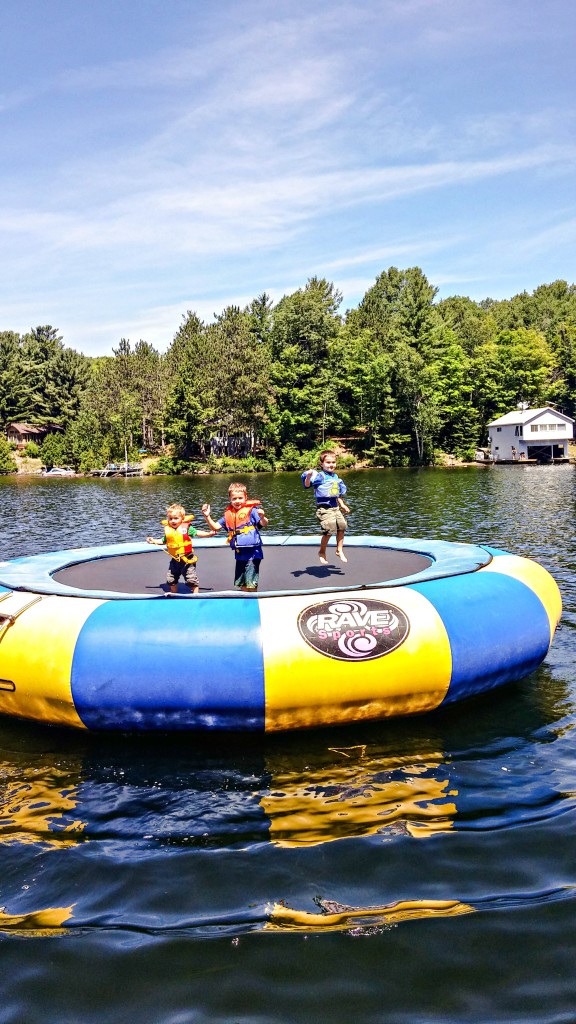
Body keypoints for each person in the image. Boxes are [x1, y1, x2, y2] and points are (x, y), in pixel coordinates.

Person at [201, 483, 268, 592]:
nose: (237, 501)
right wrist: (207, 516)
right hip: (240, 553)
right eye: (234, 498)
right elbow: (215, 527)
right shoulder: (228, 514)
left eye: (240, 498)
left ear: (246, 497)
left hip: (253, 552)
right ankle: (244, 599)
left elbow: (264, 523)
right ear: (230, 499)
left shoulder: (252, 511)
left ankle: (252, 601)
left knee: (251, 582)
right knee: (242, 582)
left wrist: (262, 517)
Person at [146, 502, 215, 594]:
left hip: (187, 559)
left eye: (176, 518)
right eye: (170, 519)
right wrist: (153, 540)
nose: (173, 521)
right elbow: (163, 540)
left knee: (191, 579)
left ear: (182, 518)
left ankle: (196, 594)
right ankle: (173, 594)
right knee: (171, 579)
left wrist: (208, 534)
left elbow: (197, 533)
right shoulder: (169, 530)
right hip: (175, 560)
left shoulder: (186, 528)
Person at [301, 449, 350, 564]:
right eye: (328, 462)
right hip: (324, 509)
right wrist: (308, 477)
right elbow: (308, 485)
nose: (331, 465)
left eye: (333, 462)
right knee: (329, 530)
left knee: (342, 526)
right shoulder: (320, 476)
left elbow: (336, 494)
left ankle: (339, 550)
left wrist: (342, 505)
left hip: (335, 508)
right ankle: (322, 552)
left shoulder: (335, 477)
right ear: (322, 464)